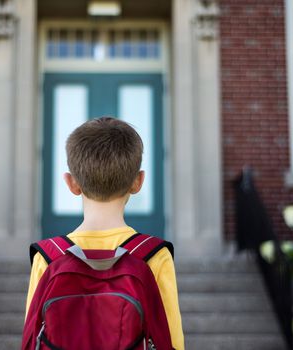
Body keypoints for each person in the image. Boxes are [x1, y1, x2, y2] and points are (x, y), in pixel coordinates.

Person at [24, 116, 184, 349]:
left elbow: (31, 339)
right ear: (138, 182)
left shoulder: (48, 257)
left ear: (71, 184)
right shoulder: (154, 255)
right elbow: (171, 340)